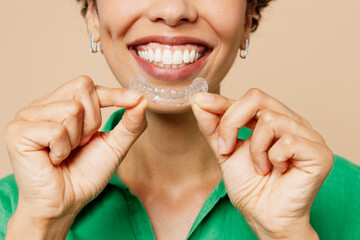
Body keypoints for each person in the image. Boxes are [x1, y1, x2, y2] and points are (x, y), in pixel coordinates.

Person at [1, 0, 359, 239]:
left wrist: (288, 234)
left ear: (249, 16)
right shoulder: (16, 208)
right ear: (93, 13)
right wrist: (42, 223)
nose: (173, 11)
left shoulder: (350, 199)